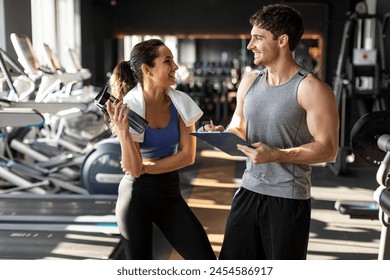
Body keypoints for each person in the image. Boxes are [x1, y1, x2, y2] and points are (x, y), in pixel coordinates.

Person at [205, 4, 339, 259]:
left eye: (258, 38)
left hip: (287, 199)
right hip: (248, 191)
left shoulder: (311, 88)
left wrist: (276, 155)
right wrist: (222, 133)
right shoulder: (249, 82)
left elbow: (328, 149)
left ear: (282, 40)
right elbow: (239, 124)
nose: (249, 45)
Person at [106, 39, 216, 260]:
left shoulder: (181, 102)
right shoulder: (130, 106)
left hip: (169, 194)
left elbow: (187, 157)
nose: (175, 67)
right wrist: (123, 132)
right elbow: (132, 170)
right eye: (168, 61)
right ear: (147, 69)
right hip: (135, 198)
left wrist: (144, 167)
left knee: (205, 260)